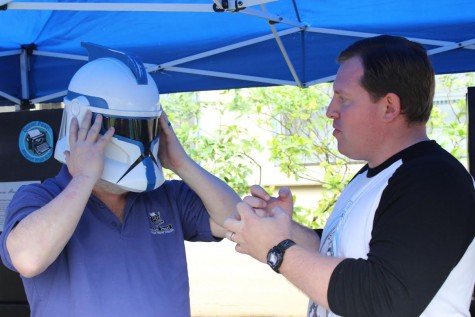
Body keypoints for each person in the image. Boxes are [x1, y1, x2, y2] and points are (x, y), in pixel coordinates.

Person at [224, 35, 475, 317]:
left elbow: (385, 299)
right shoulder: (375, 176)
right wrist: (284, 230)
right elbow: (340, 255)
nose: (331, 111)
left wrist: (278, 250)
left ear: (389, 107)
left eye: (343, 99)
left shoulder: (434, 180)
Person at [0, 43, 241, 317]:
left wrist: (180, 163)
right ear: (80, 123)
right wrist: (85, 177)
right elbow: (28, 259)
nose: (140, 142)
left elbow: (238, 222)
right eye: (124, 129)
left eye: (146, 128)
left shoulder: (167, 197)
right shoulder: (40, 198)